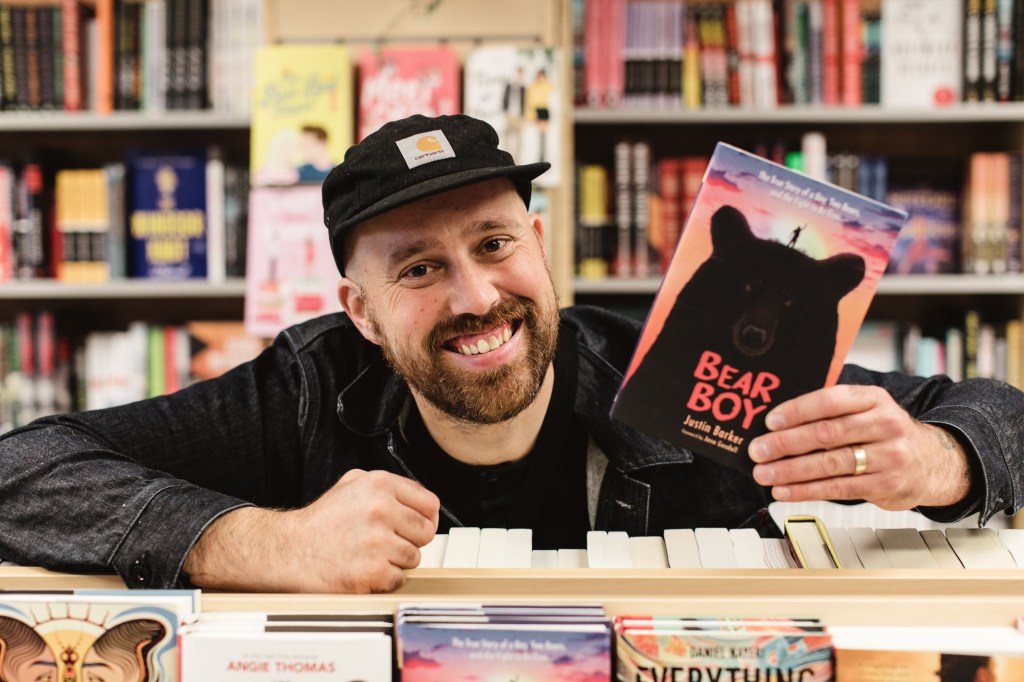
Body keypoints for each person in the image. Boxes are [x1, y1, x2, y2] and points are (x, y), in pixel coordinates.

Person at [0, 114, 1022, 594]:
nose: (476, 296)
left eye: (494, 244)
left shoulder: (681, 366)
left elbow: (1001, 413)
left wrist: (938, 462)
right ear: (361, 312)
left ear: (538, 244)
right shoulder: (305, 389)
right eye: (419, 269)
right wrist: (264, 544)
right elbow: (22, 469)